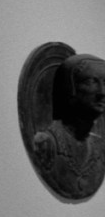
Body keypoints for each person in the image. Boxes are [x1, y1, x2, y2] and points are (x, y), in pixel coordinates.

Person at [32, 53, 105, 199]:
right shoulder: (48, 143)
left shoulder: (99, 147)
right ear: (70, 89)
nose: (102, 92)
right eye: (91, 82)